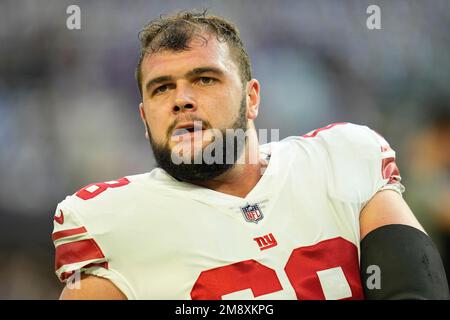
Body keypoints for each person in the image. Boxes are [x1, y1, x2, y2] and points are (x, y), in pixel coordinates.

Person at [52, 10, 449, 300]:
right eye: (161, 88)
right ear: (144, 116)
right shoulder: (111, 221)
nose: (181, 100)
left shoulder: (339, 157)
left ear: (252, 97)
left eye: (204, 79)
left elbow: (414, 290)